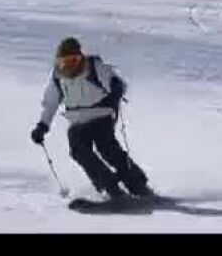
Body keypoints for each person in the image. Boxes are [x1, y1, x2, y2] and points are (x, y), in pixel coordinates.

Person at [30, 37, 153, 201]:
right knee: (78, 150)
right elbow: (50, 102)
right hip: (77, 120)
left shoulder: (94, 67)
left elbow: (116, 82)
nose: (70, 65)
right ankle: (109, 187)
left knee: (107, 149)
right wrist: (43, 125)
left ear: (80, 57)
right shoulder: (57, 76)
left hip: (101, 115)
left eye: (74, 60)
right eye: (65, 61)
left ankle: (137, 183)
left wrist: (116, 89)